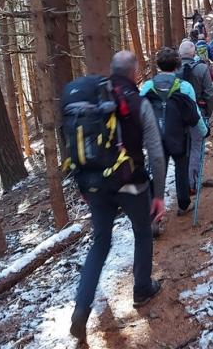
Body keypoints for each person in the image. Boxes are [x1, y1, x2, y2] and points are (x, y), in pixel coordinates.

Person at [70, 51, 166, 343]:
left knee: (100, 243)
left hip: (96, 185)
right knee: (142, 233)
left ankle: (80, 309)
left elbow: (75, 147)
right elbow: (157, 154)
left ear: (111, 71)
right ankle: (141, 289)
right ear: (135, 73)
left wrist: (83, 187)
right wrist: (159, 194)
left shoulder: (92, 101)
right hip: (131, 183)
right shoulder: (139, 103)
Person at [140, 47, 208, 216]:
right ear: (177, 65)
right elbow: (194, 113)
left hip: (154, 137)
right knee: (181, 167)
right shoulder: (184, 87)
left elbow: (139, 110)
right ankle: (183, 204)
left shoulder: (148, 86)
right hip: (179, 137)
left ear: (158, 65)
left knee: (157, 170)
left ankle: (154, 209)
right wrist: (203, 131)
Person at [177, 41, 213, 195]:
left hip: (177, 116)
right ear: (194, 53)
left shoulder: (174, 70)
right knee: (196, 147)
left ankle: (182, 184)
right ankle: (192, 182)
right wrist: (208, 112)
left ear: (180, 55)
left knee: (182, 149)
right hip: (198, 113)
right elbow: (209, 93)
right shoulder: (202, 68)